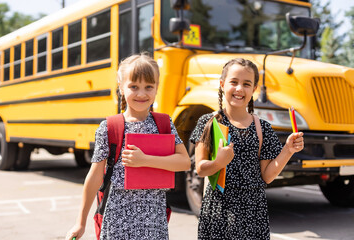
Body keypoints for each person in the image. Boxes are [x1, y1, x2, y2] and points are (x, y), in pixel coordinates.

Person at [66, 53, 191, 240]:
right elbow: (94, 176)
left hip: (153, 219)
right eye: (134, 86)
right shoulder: (109, 127)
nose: (141, 93)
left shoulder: (164, 124)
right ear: (121, 87)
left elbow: (184, 162)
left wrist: (145, 160)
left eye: (149, 87)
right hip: (117, 218)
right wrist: (80, 222)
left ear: (157, 87)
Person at [189, 58, 304, 239]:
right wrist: (219, 162)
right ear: (222, 84)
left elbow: (267, 176)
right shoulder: (209, 122)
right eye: (233, 82)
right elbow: (200, 169)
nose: (239, 89)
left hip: (253, 212)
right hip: (218, 211)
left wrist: (288, 150)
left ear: (254, 89)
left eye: (246, 84)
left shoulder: (263, 128)